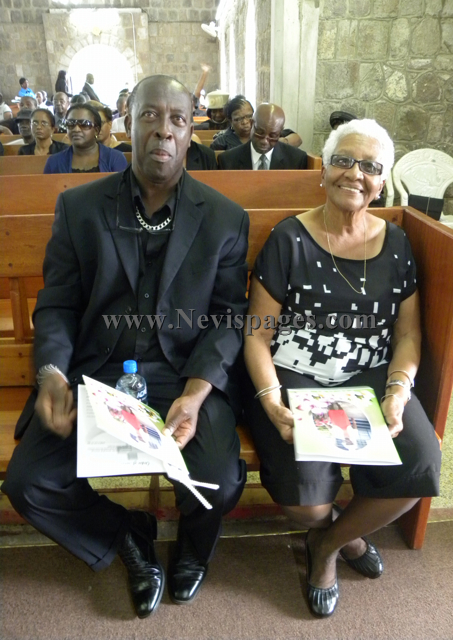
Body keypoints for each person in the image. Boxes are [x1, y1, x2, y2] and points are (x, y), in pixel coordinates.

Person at [2, 74, 249, 619]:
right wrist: (51, 373)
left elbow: (229, 318)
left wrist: (197, 393)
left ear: (190, 132)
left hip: (183, 373)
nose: (164, 130)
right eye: (150, 116)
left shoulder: (225, 218)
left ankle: (193, 548)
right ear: (126, 125)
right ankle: (125, 533)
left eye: (177, 119)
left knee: (220, 480)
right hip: (98, 372)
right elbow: (58, 304)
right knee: (29, 482)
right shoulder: (80, 208)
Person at [242, 118, 441, 618]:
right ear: (324, 170)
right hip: (295, 374)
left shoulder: (397, 244)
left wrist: (398, 390)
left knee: (420, 465)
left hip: (371, 374)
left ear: (382, 181)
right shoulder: (289, 238)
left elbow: (408, 335)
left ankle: (327, 545)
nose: (355, 173)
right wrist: (270, 399)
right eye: (344, 161)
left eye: (370, 167)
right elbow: (258, 334)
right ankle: (340, 532)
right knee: (305, 503)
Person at [218, 103, 307, 170]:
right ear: (252, 124)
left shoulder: (296, 160)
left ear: (280, 132)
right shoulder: (227, 160)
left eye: (273, 135)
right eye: (260, 133)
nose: (264, 141)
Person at [43, 103, 127, 173]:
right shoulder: (54, 162)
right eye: (71, 124)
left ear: (96, 130)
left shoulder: (115, 158)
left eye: (84, 124)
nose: (76, 129)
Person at [211, 95, 303, 151]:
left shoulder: (264, 131)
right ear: (231, 120)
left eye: (249, 116)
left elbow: (297, 139)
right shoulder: (221, 142)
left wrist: (278, 143)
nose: (245, 122)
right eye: (239, 119)